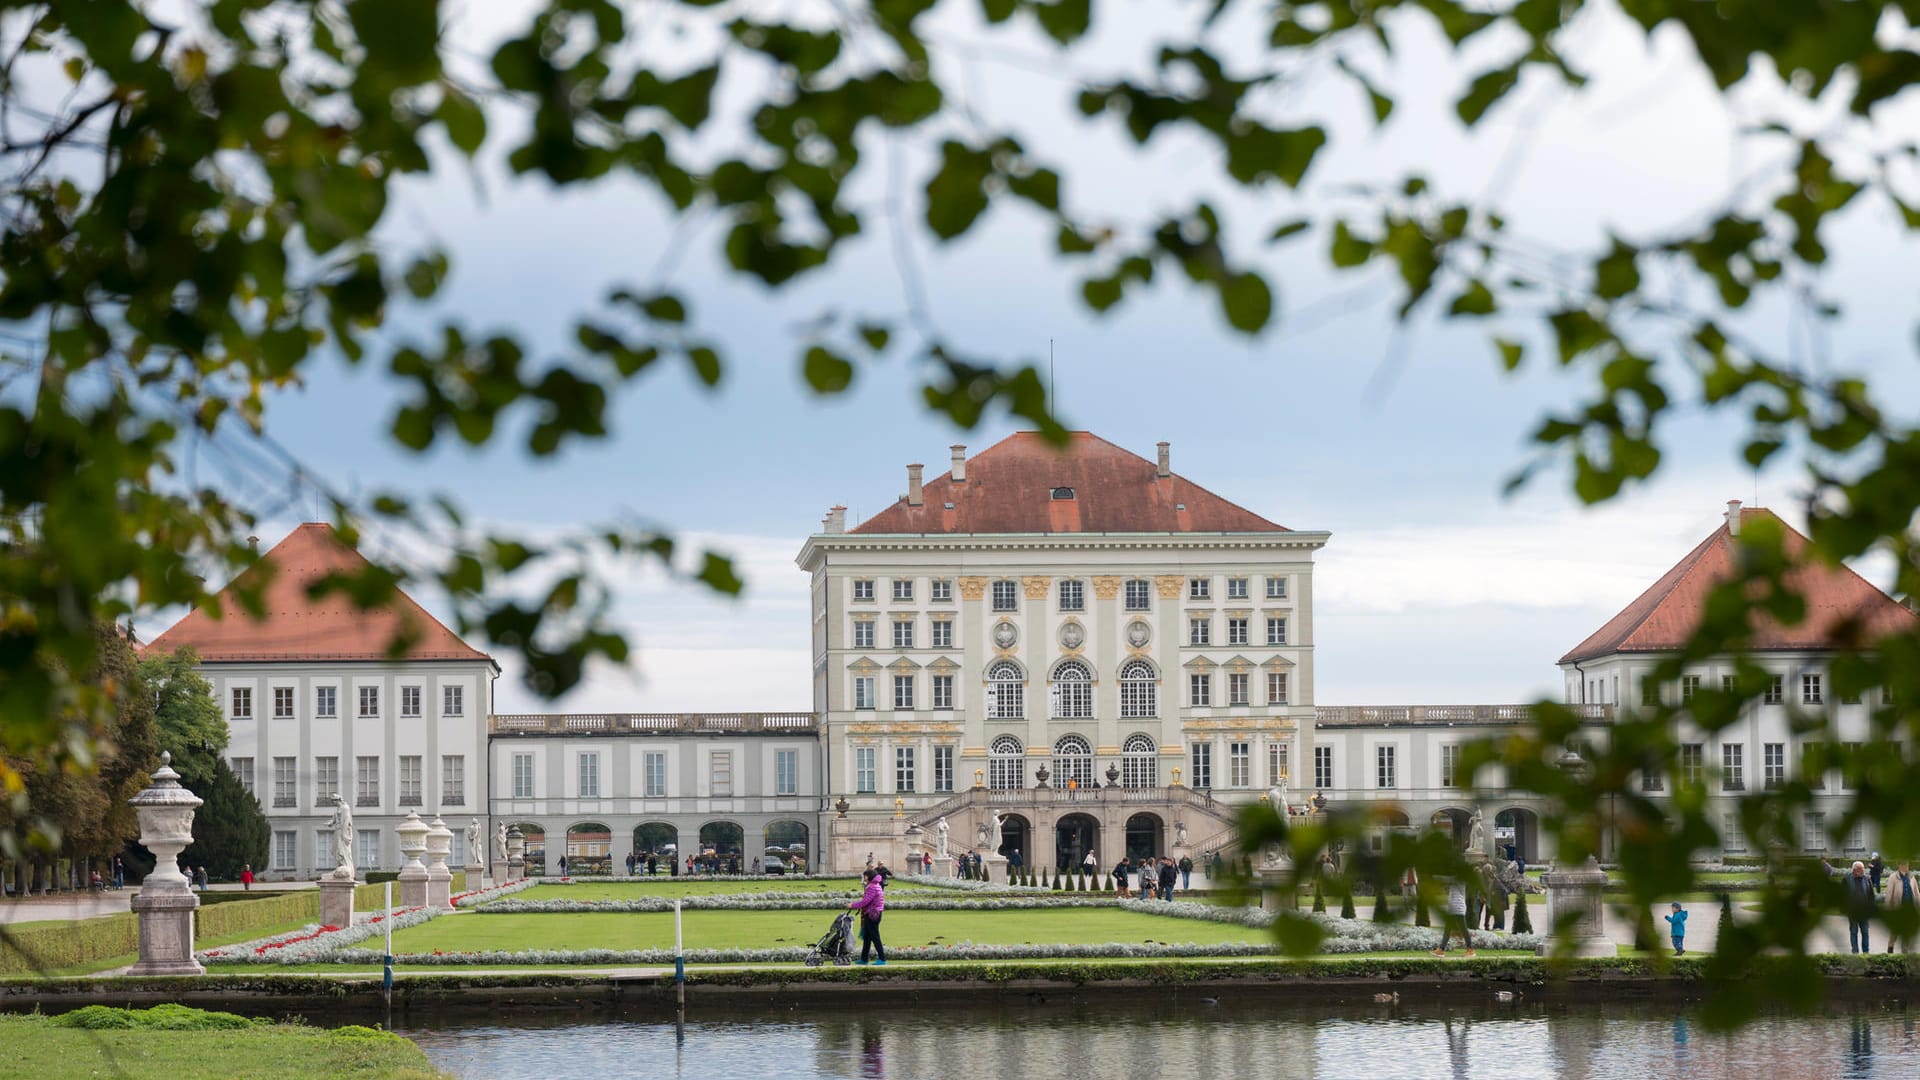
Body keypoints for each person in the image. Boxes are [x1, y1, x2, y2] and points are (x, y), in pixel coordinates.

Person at [849, 867, 887, 965]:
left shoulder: (872, 887)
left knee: (875, 936)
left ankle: (882, 959)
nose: (864, 878)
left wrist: (853, 905)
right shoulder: (875, 885)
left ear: (869, 876)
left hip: (872, 914)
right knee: (867, 937)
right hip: (873, 913)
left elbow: (865, 901)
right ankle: (864, 959)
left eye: (865, 876)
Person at [1433, 876, 1475, 957]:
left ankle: (1470, 950)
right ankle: (1441, 950)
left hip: (1458, 907)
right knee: (1448, 929)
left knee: (1463, 929)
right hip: (1453, 907)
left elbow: (1445, 879)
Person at [1845, 860, 1876, 953]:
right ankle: (1855, 952)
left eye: (1863, 870)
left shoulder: (1867, 878)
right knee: (1854, 932)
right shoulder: (1846, 879)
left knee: (1865, 933)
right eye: (1861, 870)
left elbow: (1871, 895)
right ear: (1854, 870)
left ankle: (1866, 952)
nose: (1863, 871)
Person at [1887, 860, 1919, 953]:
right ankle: (1890, 948)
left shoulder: (1911, 877)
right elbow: (1889, 894)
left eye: (1908, 864)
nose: (1907, 866)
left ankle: (1904, 953)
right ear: (1900, 866)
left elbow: (1916, 893)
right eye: (1905, 864)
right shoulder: (1893, 877)